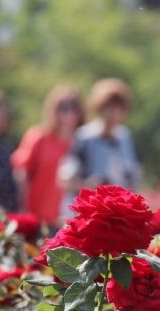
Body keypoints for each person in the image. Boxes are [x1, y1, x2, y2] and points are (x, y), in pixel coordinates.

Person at [59, 79, 141, 212]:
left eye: (118, 108)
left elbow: (132, 174)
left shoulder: (124, 136)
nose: (113, 113)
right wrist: (88, 185)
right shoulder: (84, 137)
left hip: (117, 210)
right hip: (90, 209)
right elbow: (66, 178)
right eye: (108, 108)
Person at [11, 86, 84, 228]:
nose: (68, 113)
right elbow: (21, 173)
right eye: (63, 108)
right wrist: (23, 209)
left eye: (73, 108)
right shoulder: (39, 136)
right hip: (38, 218)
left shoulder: (82, 142)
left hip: (70, 221)